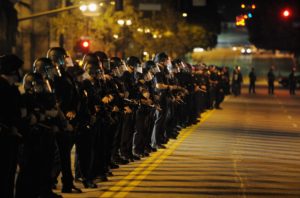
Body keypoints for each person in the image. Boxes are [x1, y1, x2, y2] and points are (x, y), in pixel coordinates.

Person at [0, 54, 23, 198]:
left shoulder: (11, 88)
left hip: (10, 137)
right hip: (4, 137)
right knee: (4, 175)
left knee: (8, 175)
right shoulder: (4, 88)